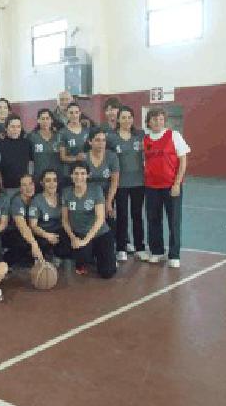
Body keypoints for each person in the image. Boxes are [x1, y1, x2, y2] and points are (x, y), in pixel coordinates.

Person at [140, 108, 190, 268]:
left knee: (174, 221)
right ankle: (157, 251)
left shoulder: (174, 136)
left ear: (164, 121)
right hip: (151, 187)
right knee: (153, 220)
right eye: (154, 119)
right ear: (148, 122)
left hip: (171, 186)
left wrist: (177, 183)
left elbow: (183, 161)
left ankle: (174, 255)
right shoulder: (145, 139)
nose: (158, 122)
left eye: (161, 119)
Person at [62, 162, 117, 278]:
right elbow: (65, 220)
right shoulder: (66, 192)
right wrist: (73, 238)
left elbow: (100, 218)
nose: (79, 177)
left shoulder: (96, 190)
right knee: (82, 257)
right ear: (71, 176)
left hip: (100, 234)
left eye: (83, 173)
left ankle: (102, 256)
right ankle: (87, 258)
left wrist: (86, 241)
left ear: (88, 175)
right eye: (76, 173)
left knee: (107, 273)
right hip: (79, 234)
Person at [111, 106, 146, 261]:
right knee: (122, 216)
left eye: (129, 117)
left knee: (137, 215)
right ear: (118, 119)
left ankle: (140, 247)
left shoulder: (140, 136)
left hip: (139, 182)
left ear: (133, 119)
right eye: (123, 117)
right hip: (120, 183)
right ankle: (121, 247)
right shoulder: (111, 137)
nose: (127, 120)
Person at [28, 169, 72, 265]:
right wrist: (47, 236)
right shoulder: (37, 200)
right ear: (42, 183)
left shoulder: (62, 197)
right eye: (48, 180)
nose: (52, 183)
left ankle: (56, 255)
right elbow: (33, 225)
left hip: (59, 231)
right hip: (42, 233)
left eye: (54, 180)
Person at [3, 174, 46, 268]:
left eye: (30, 184)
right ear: (20, 188)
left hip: (29, 231)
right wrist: (34, 244)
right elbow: (22, 226)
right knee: (24, 243)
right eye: (24, 185)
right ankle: (5, 263)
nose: (28, 188)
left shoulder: (37, 199)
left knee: (44, 241)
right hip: (12, 231)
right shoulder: (17, 201)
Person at [0, 113, 33, 201]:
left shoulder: (27, 143)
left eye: (18, 126)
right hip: (5, 189)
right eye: (12, 126)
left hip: (23, 188)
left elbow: (31, 164)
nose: (15, 129)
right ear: (6, 128)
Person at [28, 108, 64, 193]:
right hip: (39, 179)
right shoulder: (32, 137)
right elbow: (28, 159)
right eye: (42, 119)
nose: (45, 121)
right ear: (38, 120)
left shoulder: (59, 136)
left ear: (51, 120)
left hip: (56, 179)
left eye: (47, 118)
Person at [58, 102, 89, 188]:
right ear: (66, 114)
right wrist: (76, 158)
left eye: (76, 112)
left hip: (84, 172)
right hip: (69, 173)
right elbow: (62, 157)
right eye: (71, 112)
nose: (74, 115)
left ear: (80, 113)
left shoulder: (87, 130)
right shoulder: (62, 132)